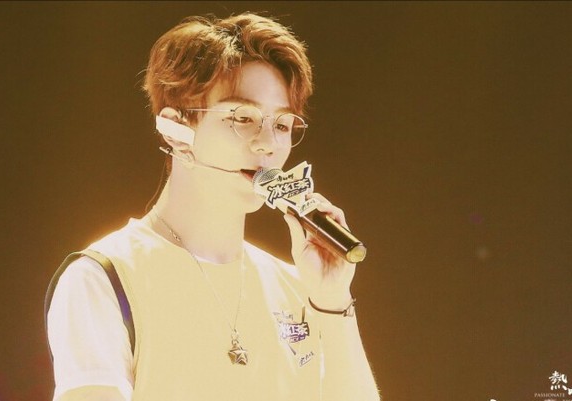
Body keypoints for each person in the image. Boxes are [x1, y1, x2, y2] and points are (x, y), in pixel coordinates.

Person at [45, 12, 380, 401]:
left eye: (282, 125)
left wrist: (333, 302)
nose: (268, 144)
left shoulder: (296, 287)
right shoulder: (104, 277)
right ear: (175, 130)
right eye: (243, 118)